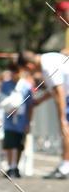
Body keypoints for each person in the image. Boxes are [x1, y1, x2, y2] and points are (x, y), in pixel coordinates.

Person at [18, 50, 69, 179]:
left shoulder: (47, 67)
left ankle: (65, 167)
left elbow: (60, 93)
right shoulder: (48, 58)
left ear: (29, 66)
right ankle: (64, 165)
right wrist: (39, 101)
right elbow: (54, 91)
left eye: (26, 71)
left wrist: (62, 119)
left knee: (66, 130)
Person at [0, 57, 33, 178]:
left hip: (21, 120)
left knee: (19, 143)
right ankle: (10, 166)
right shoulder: (6, 85)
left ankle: (16, 166)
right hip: (9, 120)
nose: (15, 74)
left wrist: (28, 122)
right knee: (9, 143)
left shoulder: (26, 87)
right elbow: (1, 101)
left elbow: (30, 106)